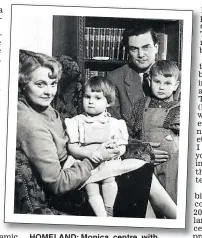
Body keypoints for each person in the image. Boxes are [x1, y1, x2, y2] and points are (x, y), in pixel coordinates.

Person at [16, 53, 120, 215]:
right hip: (68, 190)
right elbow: (58, 183)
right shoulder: (32, 126)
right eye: (40, 84)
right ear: (24, 84)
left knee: (145, 174)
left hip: (76, 167)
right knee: (143, 176)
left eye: (53, 84)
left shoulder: (40, 106)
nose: (49, 92)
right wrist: (96, 157)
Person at [64, 76, 176, 218]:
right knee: (91, 187)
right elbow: (72, 147)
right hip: (86, 162)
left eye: (97, 98)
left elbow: (122, 146)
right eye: (87, 97)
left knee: (109, 180)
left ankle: (109, 211)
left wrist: (118, 150)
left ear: (108, 102)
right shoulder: (76, 122)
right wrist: (87, 154)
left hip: (108, 162)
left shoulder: (114, 124)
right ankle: (102, 218)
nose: (91, 101)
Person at [127, 60, 180, 204]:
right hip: (144, 163)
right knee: (145, 202)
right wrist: (139, 151)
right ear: (149, 81)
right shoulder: (140, 105)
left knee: (170, 200)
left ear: (176, 85)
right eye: (157, 82)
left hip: (171, 167)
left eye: (167, 83)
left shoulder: (180, 108)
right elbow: (129, 135)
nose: (161, 87)